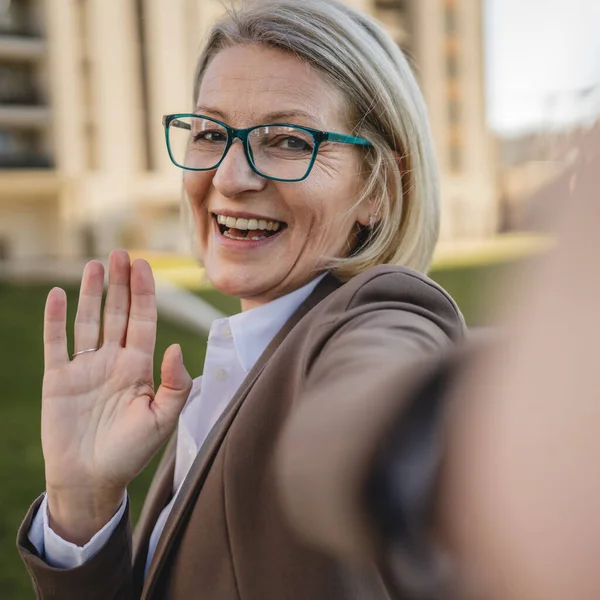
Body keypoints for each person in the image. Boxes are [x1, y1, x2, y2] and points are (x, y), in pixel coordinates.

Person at [17, 0, 468, 598]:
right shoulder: (236, 367)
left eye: (286, 140)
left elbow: (382, 387)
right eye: (210, 132)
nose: (231, 178)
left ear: (380, 189)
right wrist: (84, 502)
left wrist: (411, 438)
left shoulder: (379, 313)